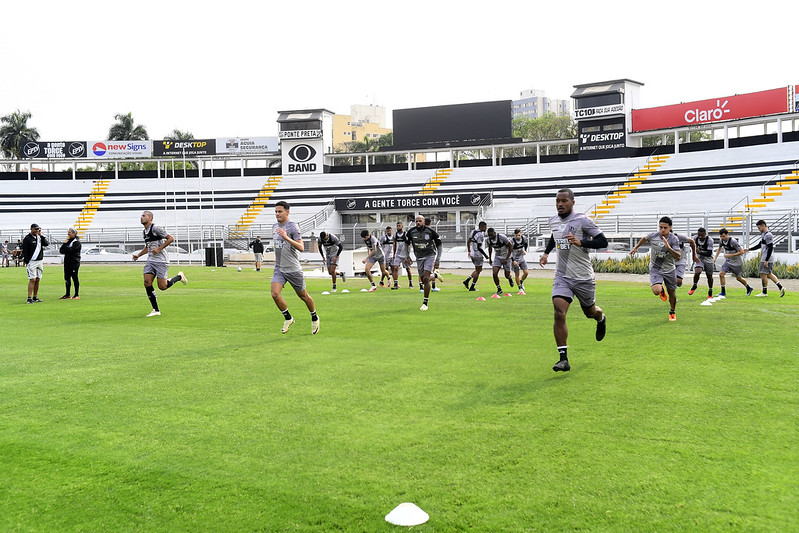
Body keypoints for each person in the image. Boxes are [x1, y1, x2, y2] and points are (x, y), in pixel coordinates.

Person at [539, 189, 607, 372]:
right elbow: (555, 238)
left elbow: (603, 242)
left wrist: (581, 242)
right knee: (559, 312)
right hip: (562, 276)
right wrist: (546, 254)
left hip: (583, 277)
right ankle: (563, 359)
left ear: (572, 202)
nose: (560, 204)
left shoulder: (582, 220)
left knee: (590, 312)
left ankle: (601, 319)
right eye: (557, 201)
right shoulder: (553, 221)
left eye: (564, 201)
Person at [271, 201, 319, 334]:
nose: (277, 214)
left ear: (287, 212)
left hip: (293, 268)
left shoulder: (293, 227)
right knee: (275, 294)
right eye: (275, 211)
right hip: (279, 268)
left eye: (280, 211)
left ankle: (314, 317)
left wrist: (286, 237)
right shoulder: (274, 226)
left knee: (303, 296)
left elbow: (301, 248)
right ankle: (288, 318)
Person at [132, 210, 187, 317]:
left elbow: (171, 238)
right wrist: (138, 255)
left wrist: (159, 248)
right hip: (150, 260)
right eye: (141, 216)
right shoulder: (145, 232)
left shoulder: (155, 228)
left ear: (150, 218)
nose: (141, 217)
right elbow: (148, 247)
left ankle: (179, 277)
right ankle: (156, 310)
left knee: (162, 286)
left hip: (161, 261)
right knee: (147, 282)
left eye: (144, 216)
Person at [630, 216, 681, 322]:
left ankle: (672, 311)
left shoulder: (673, 239)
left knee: (672, 293)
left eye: (665, 228)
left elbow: (678, 256)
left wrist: (668, 248)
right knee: (656, 291)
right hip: (655, 268)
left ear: (670, 227)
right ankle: (661, 290)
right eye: (660, 227)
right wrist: (636, 247)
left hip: (669, 269)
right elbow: (644, 238)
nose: (662, 230)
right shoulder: (653, 236)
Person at [406, 214, 442, 310]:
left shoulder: (430, 232)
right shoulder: (411, 232)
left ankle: (425, 303)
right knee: (423, 279)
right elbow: (406, 243)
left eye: (420, 221)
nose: (418, 223)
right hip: (419, 257)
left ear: (424, 222)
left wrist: (438, 259)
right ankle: (435, 275)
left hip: (429, 255)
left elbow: (439, 245)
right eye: (416, 221)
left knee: (426, 279)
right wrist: (407, 256)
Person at [748, 219, 786, 297]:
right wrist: (748, 249)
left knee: (763, 274)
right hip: (766, 257)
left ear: (764, 226)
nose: (759, 230)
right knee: (768, 274)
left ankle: (764, 292)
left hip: (766, 258)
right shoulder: (764, 235)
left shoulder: (768, 235)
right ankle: (780, 287)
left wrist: (766, 260)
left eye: (759, 228)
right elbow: (759, 245)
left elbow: (770, 247)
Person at [714, 228, 753, 298]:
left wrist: (730, 255)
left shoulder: (733, 241)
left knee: (738, 278)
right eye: (720, 236)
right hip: (728, 261)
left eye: (723, 236)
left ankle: (748, 287)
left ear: (727, 235)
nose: (722, 238)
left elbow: (742, 252)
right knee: (721, 274)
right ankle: (723, 292)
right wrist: (715, 258)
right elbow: (719, 249)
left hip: (737, 262)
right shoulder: (721, 241)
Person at [22, 223, 49, 303]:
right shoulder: (27, 238)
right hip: (32, 261)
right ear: (31, 229)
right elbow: (25, 250)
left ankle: (35, 297)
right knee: (32, 279)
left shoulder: (39, 237)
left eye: (38, 229)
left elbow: (46, 244)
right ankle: (29, 298)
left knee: (37, 279)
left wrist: (41, 235)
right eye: (35, 229)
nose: (37, 231)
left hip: (39, 261)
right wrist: (27, 261)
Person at [688, 227, 715, 299]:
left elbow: (709, 253)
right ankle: (694, 285)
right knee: (697, 272)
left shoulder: (710, 240)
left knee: (709, 276)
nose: (700, 237)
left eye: (702, 235)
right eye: (699, 235)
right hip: (699, 258)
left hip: (708, 259)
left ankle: (710, 290)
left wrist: (701, 252)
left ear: (705, 234)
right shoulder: (694, 238)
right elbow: (691, 243)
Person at [486, 228, 514, 297]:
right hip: (497, 257)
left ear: (494, 233)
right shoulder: (488, 240)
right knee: (494, 273)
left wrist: (507, 258)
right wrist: (490, 259)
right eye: (489, 235)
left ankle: (510, 278)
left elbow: (510, 246)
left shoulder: (502, 237)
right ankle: (499, 288)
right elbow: (490, 248)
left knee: (506, 275)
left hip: (506, 257)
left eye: (491, 235)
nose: (490, 237)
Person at [463, 221, 489, 291]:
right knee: (478, 271)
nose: (486, 228)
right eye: (485, 227)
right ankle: (472, 287)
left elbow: (468, 241)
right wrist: (485, 255)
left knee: (477, 270)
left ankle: (467, 280)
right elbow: (479, 248)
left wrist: (469, 251)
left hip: (472, 254)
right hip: (478, 255)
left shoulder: (473, 231)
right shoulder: (480, 235)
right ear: (482, 227)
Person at [59, 228, 82, 299]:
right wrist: (65, 245)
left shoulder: (77, 242)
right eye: (68, 232)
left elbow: (71, 250)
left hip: (74, 262)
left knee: (74, 277)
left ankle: (76, 294)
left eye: (69, 232)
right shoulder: (67, 241)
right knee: (67, 278)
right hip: (67, 262)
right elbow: (61, 250)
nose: (68, 234)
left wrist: (66, 247)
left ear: (74, 234)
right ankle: (67, 294)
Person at [391, 221, 413, 289]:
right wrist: (394, 254)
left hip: (405, 255)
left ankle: (410, 283)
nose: (398, 227)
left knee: (407, 269)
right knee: (395, 268)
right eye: (397, 226)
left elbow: (409, 245)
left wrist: (407, 256)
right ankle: (395, 284)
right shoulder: (395, 235)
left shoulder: (406, 234)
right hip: (398, 254)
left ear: (402, 226)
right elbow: (394, 245)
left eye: (399, 226)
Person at [511, 228, 529, 294]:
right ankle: (520, 288)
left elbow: (526, 244)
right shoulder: (512, 241)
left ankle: (521, 282)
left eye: (519, 235)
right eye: (516, 235)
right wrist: (513, 260)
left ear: (521, 234)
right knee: (517, 274)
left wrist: (525, 250)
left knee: (526, 272)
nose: (517, 237)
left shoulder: (524, 238)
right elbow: (509, 252)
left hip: (521, 259)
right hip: (515, 260)